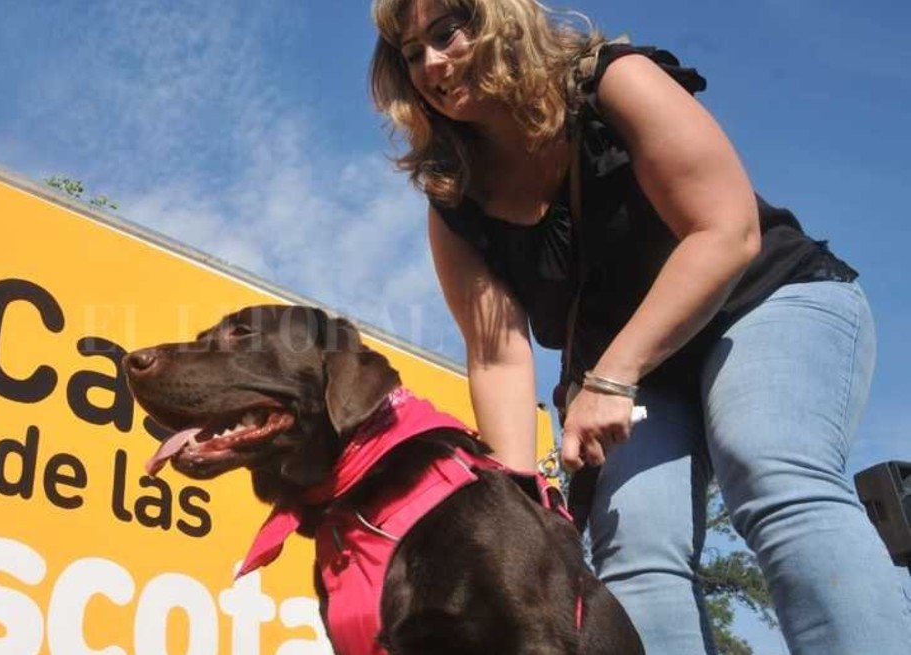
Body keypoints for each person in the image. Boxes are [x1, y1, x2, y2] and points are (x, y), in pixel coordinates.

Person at [367, 0, 911, 653]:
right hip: (630, 375)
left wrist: (612, 374)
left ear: (498, 19)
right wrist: (515, 501)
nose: (431, 63)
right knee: (634, 551)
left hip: (763, 300)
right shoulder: (453, 196)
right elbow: (498, 354)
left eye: (446, 32)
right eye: (410, 51)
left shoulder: (614, 83)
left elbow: (725, 230)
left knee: (769, 467)